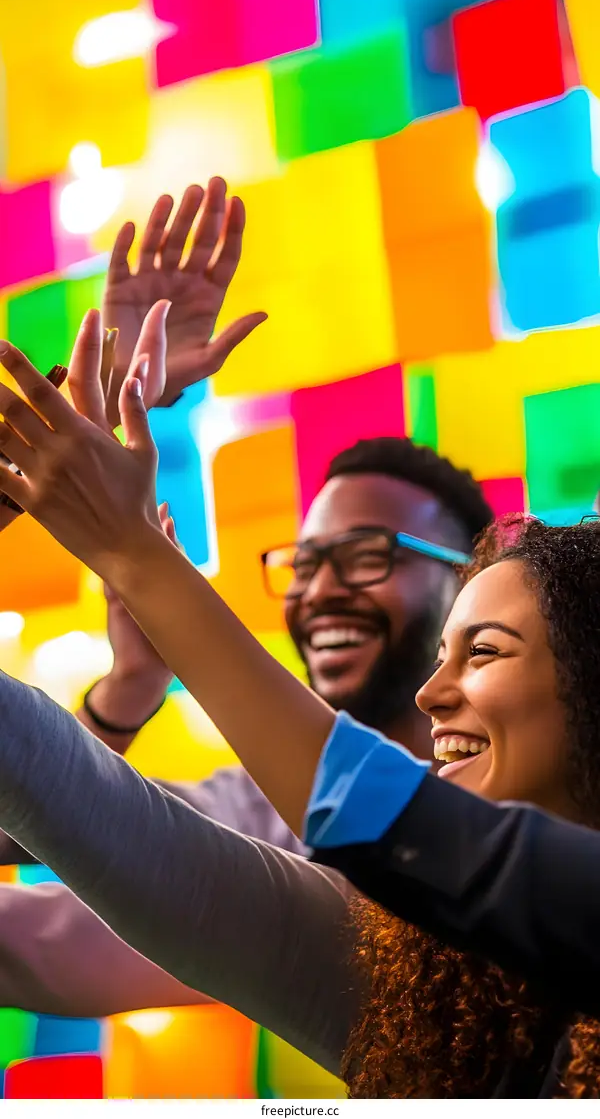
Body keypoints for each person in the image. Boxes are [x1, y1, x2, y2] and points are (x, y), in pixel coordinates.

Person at [0, 342, 599, 1094]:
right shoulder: (412, 972)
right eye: (303, 563)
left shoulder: (438, 865)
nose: (431, 692)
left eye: (483, 650)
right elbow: (54, 789)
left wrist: (131, 550)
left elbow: (403, 829)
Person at [0, 380, 492, 1009]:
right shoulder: (252, 810)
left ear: (473, 583)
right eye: (304, 565)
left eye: (366, 556)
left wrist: (139, 560)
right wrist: (131, 687)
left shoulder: (537, 797)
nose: (318, 593)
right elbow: (40, 836)